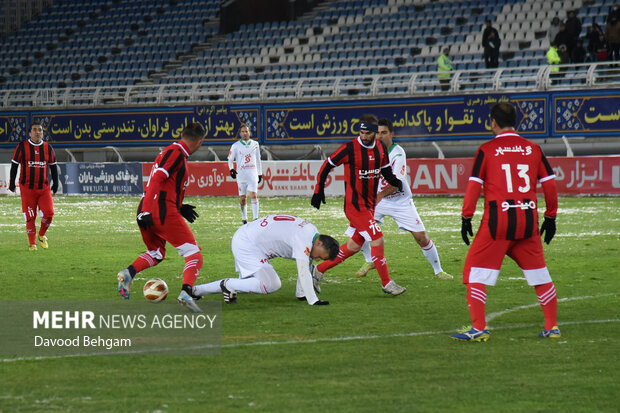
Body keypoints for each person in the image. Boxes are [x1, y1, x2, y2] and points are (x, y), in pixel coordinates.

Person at [451, 103, 559, 342]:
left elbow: (474, 186)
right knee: (539, 274)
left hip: (497, 224)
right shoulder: (533, 148)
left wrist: (466, 217)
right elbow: (550, 184)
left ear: (493, 122)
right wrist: (550, 216)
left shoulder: (487, 150)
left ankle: (479, 328)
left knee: (474, 272)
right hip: (528, 221)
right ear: (516, 121)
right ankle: (552, 326)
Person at [310, 114, 407, 296]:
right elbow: (327, 165)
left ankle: (318, 270)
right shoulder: (349, 148)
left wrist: (395, 181)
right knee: (377, 238)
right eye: (361, 132)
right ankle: (387, 283)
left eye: (367, 133)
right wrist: (318, 190)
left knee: (354, 246)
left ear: (375, 133)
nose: (363, 136)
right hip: (354, 206)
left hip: (370, 206)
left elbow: (385, 170)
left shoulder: (380, 148)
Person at [117, 123, 206, 313]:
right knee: (194, 254)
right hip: (159, 209)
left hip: (151, 206)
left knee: (156, 253)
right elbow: (157, 178)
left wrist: (180, 207)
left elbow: (164, 184)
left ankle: (128, 273)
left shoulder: (171, 152)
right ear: (200, 142)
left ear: (182, 134)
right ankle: (186, 293)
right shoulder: (176, 153)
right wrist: (147, 211)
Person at [353, 119, 453, 280]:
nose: (379, 136)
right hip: (379, 201)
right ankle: (369, 260)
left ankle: (438, 270)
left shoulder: (397, 153)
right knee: (357, 231)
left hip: (400, 201)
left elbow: (396, 183)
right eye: (377, 133)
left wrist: (377, 196)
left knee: (421, 237)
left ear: (391, 134)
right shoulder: (368, 151)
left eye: (384, 133)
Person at [193, 214, 339, 306]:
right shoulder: (304, 238)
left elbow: (306, 263)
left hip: (247, 237)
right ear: (319, 243)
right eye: (321, 256)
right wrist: (313, 300)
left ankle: (196, 291)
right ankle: (228, 284)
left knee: (247, 285)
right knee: (271, 284)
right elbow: (303, 271)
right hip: (248, 244)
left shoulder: (312, 231)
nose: (318, 259)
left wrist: (302, 293)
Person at [8, 121, 59, 251]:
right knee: (30, 216)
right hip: (27, 189)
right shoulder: (21, 146)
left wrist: (56, 183)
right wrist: (12, 182)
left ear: (42, 132)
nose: (37, 132)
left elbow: (53, 167)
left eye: (40, 130)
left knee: (49, 213)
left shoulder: (48, 148)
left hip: (43, 188)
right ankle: (32, 244)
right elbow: (14, 165)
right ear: (30, 133)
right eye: (35, 130)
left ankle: (41, 235)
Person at [227, 123, 262, 224]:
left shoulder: (255, 144)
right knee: (243, 198)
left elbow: (258, 159)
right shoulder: (235, 146)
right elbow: (230, 159)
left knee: (254, 195)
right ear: (240, 134)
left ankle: (255, 219)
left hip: (252, 174)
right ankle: (244, 218)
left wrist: (260, 173)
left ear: (249, 132)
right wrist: (231, 169)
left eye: (246, 131)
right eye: (242, 132)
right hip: (241, 175)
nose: (245, 133)